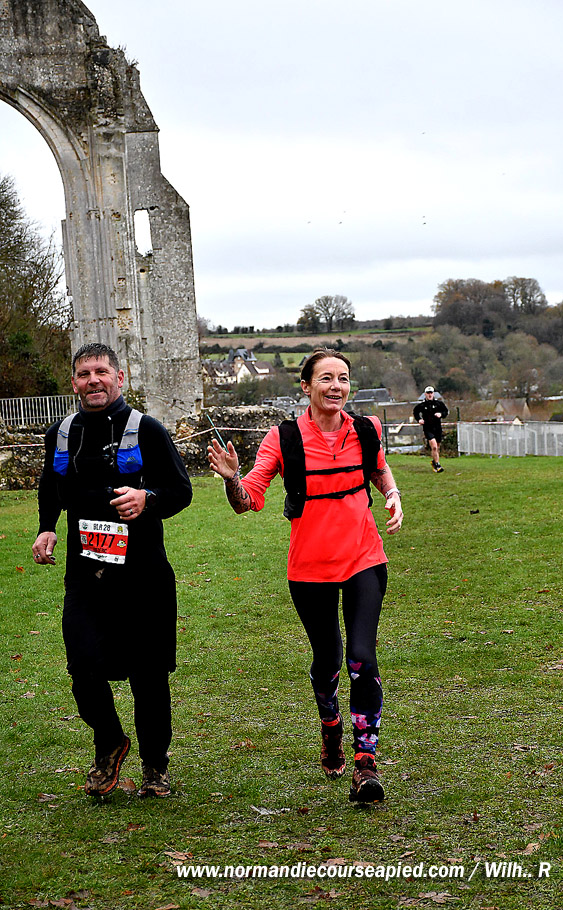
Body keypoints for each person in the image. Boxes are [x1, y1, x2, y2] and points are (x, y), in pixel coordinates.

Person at [207, 348, 403, 803]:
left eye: (343, 378)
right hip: (310, 568)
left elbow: (377, 468)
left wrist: (392, 493)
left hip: (364, 559)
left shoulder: (367, 429)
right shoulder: (283, 439)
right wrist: (232, 479)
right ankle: (330, 725)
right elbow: (247, 500)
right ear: (306, 386)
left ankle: (366, 764)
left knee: (362, 657)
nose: (336, 386)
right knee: (328, 660)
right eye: (326, 378)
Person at [32, 343, 192, 798]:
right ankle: (110, 743)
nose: (93, 380)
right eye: (84, 374)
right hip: (86, 576)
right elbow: (50, 486)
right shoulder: (62, 433)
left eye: (101, 371)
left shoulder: (147, 430)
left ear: (119, 378)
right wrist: (47, 527)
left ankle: (155, 766)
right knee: (82, 665)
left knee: (148, 675)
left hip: (143, 577)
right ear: (74, 383)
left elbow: (181, 490)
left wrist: (148, 498)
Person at [413, 386, 449, 472]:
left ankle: (434, 461)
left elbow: (446, 411)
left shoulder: (438, 404)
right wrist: (419, 419)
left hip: (437, 428)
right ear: (425, 394)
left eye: (431, 393)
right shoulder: (422, 405)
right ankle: (437, 465)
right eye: (428, 393)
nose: (430, 395)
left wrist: (441, 414)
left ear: (433, 394)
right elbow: (415, 412)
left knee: (437, 447)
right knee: (434, 446)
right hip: (428, 428)